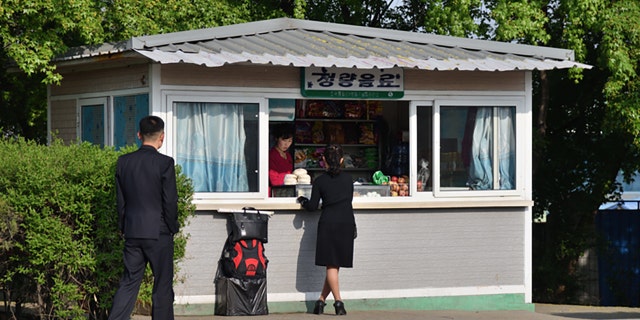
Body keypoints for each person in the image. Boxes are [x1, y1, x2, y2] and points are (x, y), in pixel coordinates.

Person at [109, 115, 179, 320]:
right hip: (159, 232)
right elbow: (170, 201)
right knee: (162, 285)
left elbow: (120, 201)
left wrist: (123, 227)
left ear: (139, 135)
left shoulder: (123, 162)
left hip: (132, 231)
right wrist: (172, 226)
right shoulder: (165, 163)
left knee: (129, 282)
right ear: (162, 137)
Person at [297, 144, 356, 316]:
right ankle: (321, 302)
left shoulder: (320, 181)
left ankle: (339, 302)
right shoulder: (348, 179)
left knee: (331, 266)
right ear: (342, 160)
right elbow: (346, 201)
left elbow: (313, 207)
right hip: (347, 222)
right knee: (334, 267)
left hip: (329, 223)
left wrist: (303, 201)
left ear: (324, 161)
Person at [268, 123, 294, 189]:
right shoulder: (272, 155)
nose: (286, 144)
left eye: (290, 141)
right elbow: (273, 180)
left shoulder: (288, 155)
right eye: (284, 140)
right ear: (277, 138)